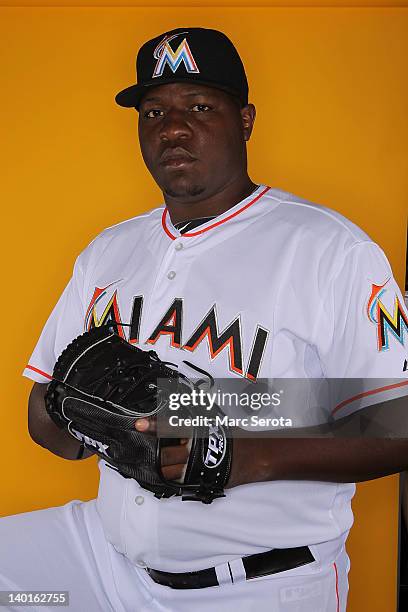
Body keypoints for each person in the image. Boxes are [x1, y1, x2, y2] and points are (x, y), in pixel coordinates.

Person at [1, 26, 408, 612]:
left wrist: (238, 445)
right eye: (153, 111)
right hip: (107, 563)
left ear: (244, 119)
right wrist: (93, 418)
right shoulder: (107, 252)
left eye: (199, 106)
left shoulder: (331, 249)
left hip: (259, 584)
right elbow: (46, 423)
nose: (172, 127)